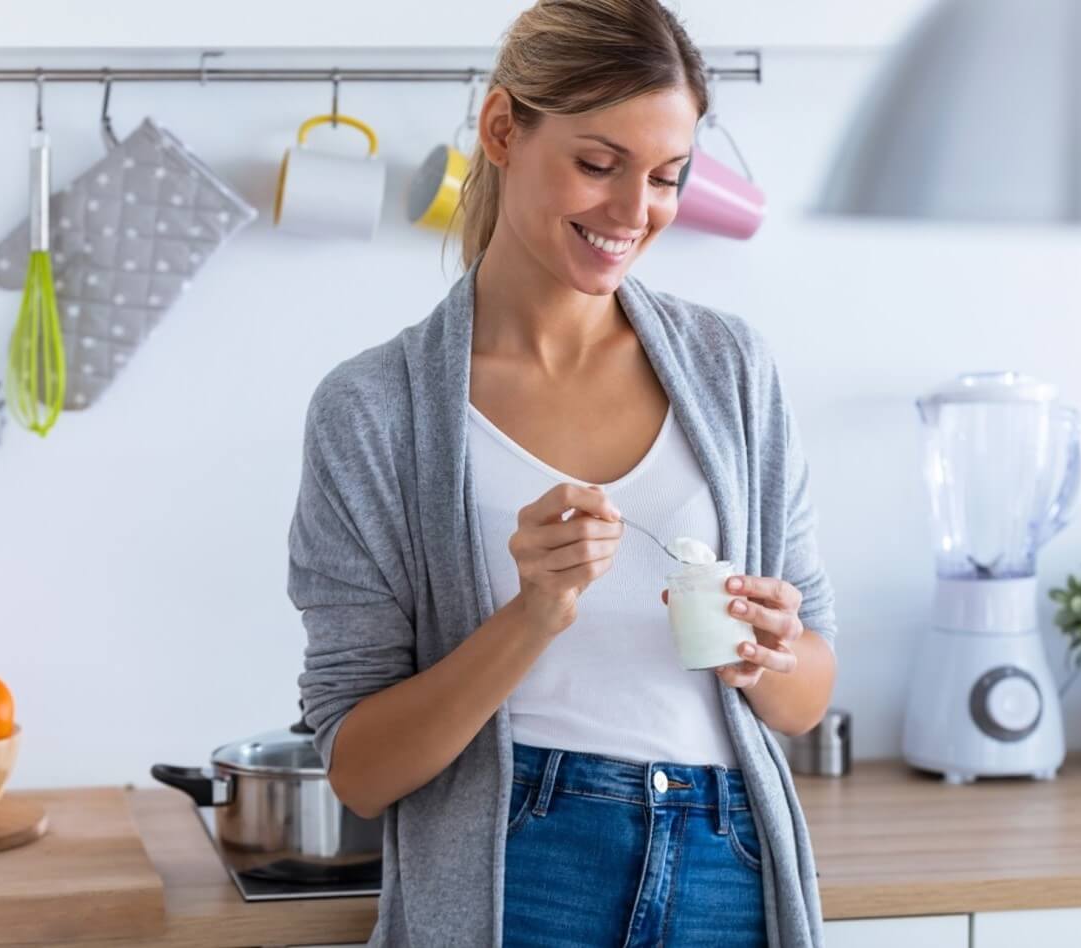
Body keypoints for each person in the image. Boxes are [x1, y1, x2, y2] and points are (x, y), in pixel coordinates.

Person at [289, 0, 838, 944]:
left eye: (667, 178)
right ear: (503, 130)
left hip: (727, 859)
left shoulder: (731, 369)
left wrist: (771, 652)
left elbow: (807, 694)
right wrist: (532, 611)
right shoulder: (374, 409)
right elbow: (360, 769)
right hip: (520, 866)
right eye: (597, 164)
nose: (634, 214)